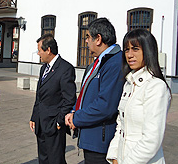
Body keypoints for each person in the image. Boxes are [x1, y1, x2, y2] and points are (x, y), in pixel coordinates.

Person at [106, 29, 171, 164]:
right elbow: (121, 126)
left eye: (135, 49)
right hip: (122, 157)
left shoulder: (155, 87)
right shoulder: (129, 83)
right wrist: (114, 156)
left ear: (148, 50)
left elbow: (151, 140)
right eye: (126, 50)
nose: (129, 55)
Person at [65, 18, 124, 164]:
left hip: (101, 141)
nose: (86, 41)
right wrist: (74, 111)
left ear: (98, 39)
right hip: (90, 135)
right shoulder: (96, 63)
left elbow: (106, 105)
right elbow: (85, 95)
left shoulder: (115, 63)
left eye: (88, 37)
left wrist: (77, 118)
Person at [30, 33, 76, 164]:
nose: (38, 54)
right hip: (41, 123)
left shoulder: (65, 69)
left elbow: (69, 99)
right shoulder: (44, 68)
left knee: (56, 160)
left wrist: (58, 121)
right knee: (43, 159)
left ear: (48, 50)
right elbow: (39, 96)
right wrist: (34, 116)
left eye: (39, 50)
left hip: (54, 125)